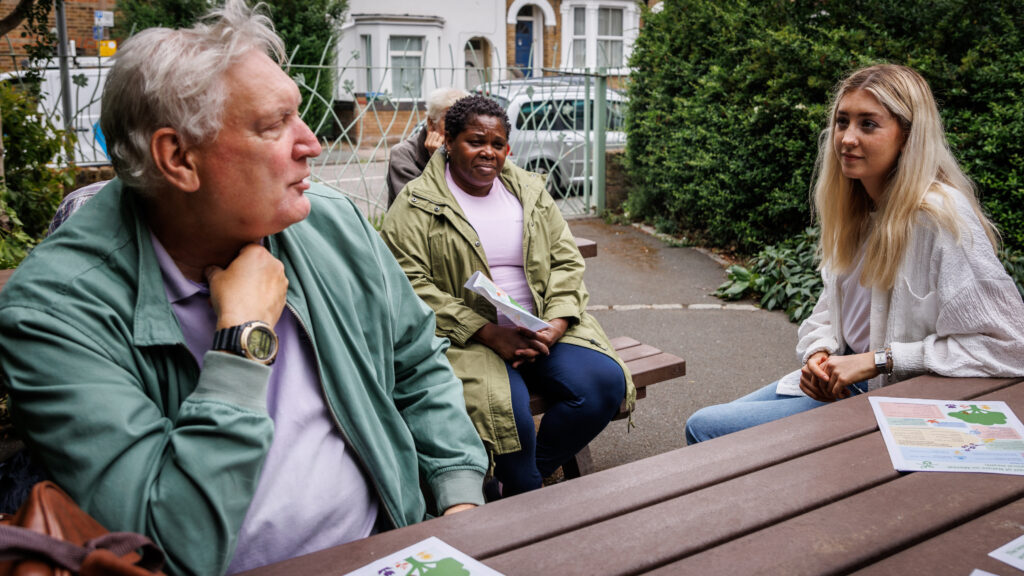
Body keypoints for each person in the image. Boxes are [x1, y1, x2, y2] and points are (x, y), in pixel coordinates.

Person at [0, 2, 488, 574]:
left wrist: (457, 500)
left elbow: (416, 361)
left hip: (384, 548)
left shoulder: (330, 221)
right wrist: (244, 340)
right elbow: (170, 542)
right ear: (178, 157)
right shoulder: (53, 314)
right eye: (274, 124)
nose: (312, 143)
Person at [685, 64, 1024, 444]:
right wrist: (819, 354)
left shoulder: (939, 218)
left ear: (908, 136)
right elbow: (829, 313)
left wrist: (879, 360)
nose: (847, 138)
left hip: (899, 408)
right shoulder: (856, 209)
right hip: (845, 388)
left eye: (868, 124)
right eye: (842, 121)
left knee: (705, 429)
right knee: (710, 428)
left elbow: (1011, 346)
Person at [380, 95, 635, 496]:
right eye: (475, 141)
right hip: (468, 340)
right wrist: (486, 331)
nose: (488, 152)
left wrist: (555, 324)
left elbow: (566, 261)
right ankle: (524, 495)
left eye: (497, 144)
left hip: (541, 329)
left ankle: (519, 486)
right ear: (448, 141)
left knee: (603, 385)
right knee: (507, 418)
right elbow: (409, 282)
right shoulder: (417, 203)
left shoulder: (528, 191)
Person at [386, 87, 468, 207]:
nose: (458, 127)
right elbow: (417, 207)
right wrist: (438, 160)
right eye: (450, 119)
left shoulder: (468, 150)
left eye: (464, 119)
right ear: (431, 123)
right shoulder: (403, 154)